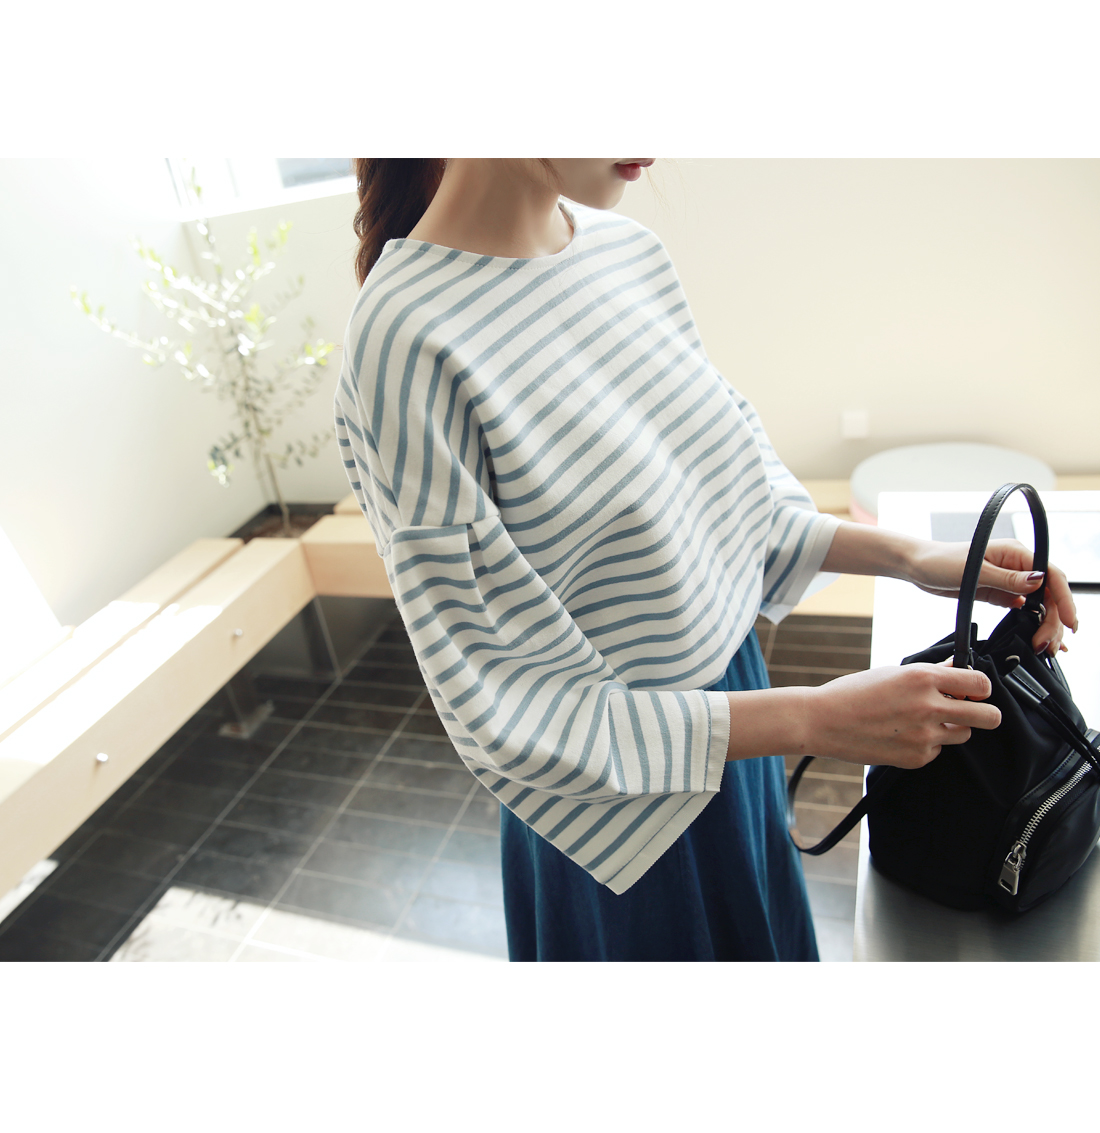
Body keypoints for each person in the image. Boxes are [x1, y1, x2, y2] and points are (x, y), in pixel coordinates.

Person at [334, 159, 1077, 961]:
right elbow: (508, 705)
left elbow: (736, 505)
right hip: (616, 825)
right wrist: (816, 718)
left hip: (738, 740)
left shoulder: (628, 253)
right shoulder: (406, 338)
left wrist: (919, 556)